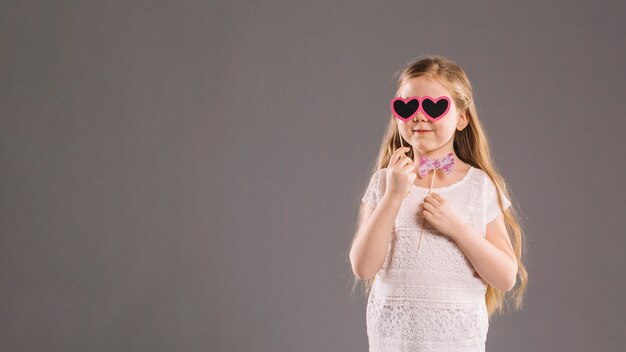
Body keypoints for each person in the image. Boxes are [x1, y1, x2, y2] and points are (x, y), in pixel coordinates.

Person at [348, 55, 528, 351]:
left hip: (456, 343)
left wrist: (458, 228)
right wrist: (393, 196)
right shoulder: (384, 182)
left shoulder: (479, 187)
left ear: (462, 117)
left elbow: (506, 277)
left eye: (434, 106)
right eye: (407, 107)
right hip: (393, 343)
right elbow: (364, 268)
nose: (418, 116)